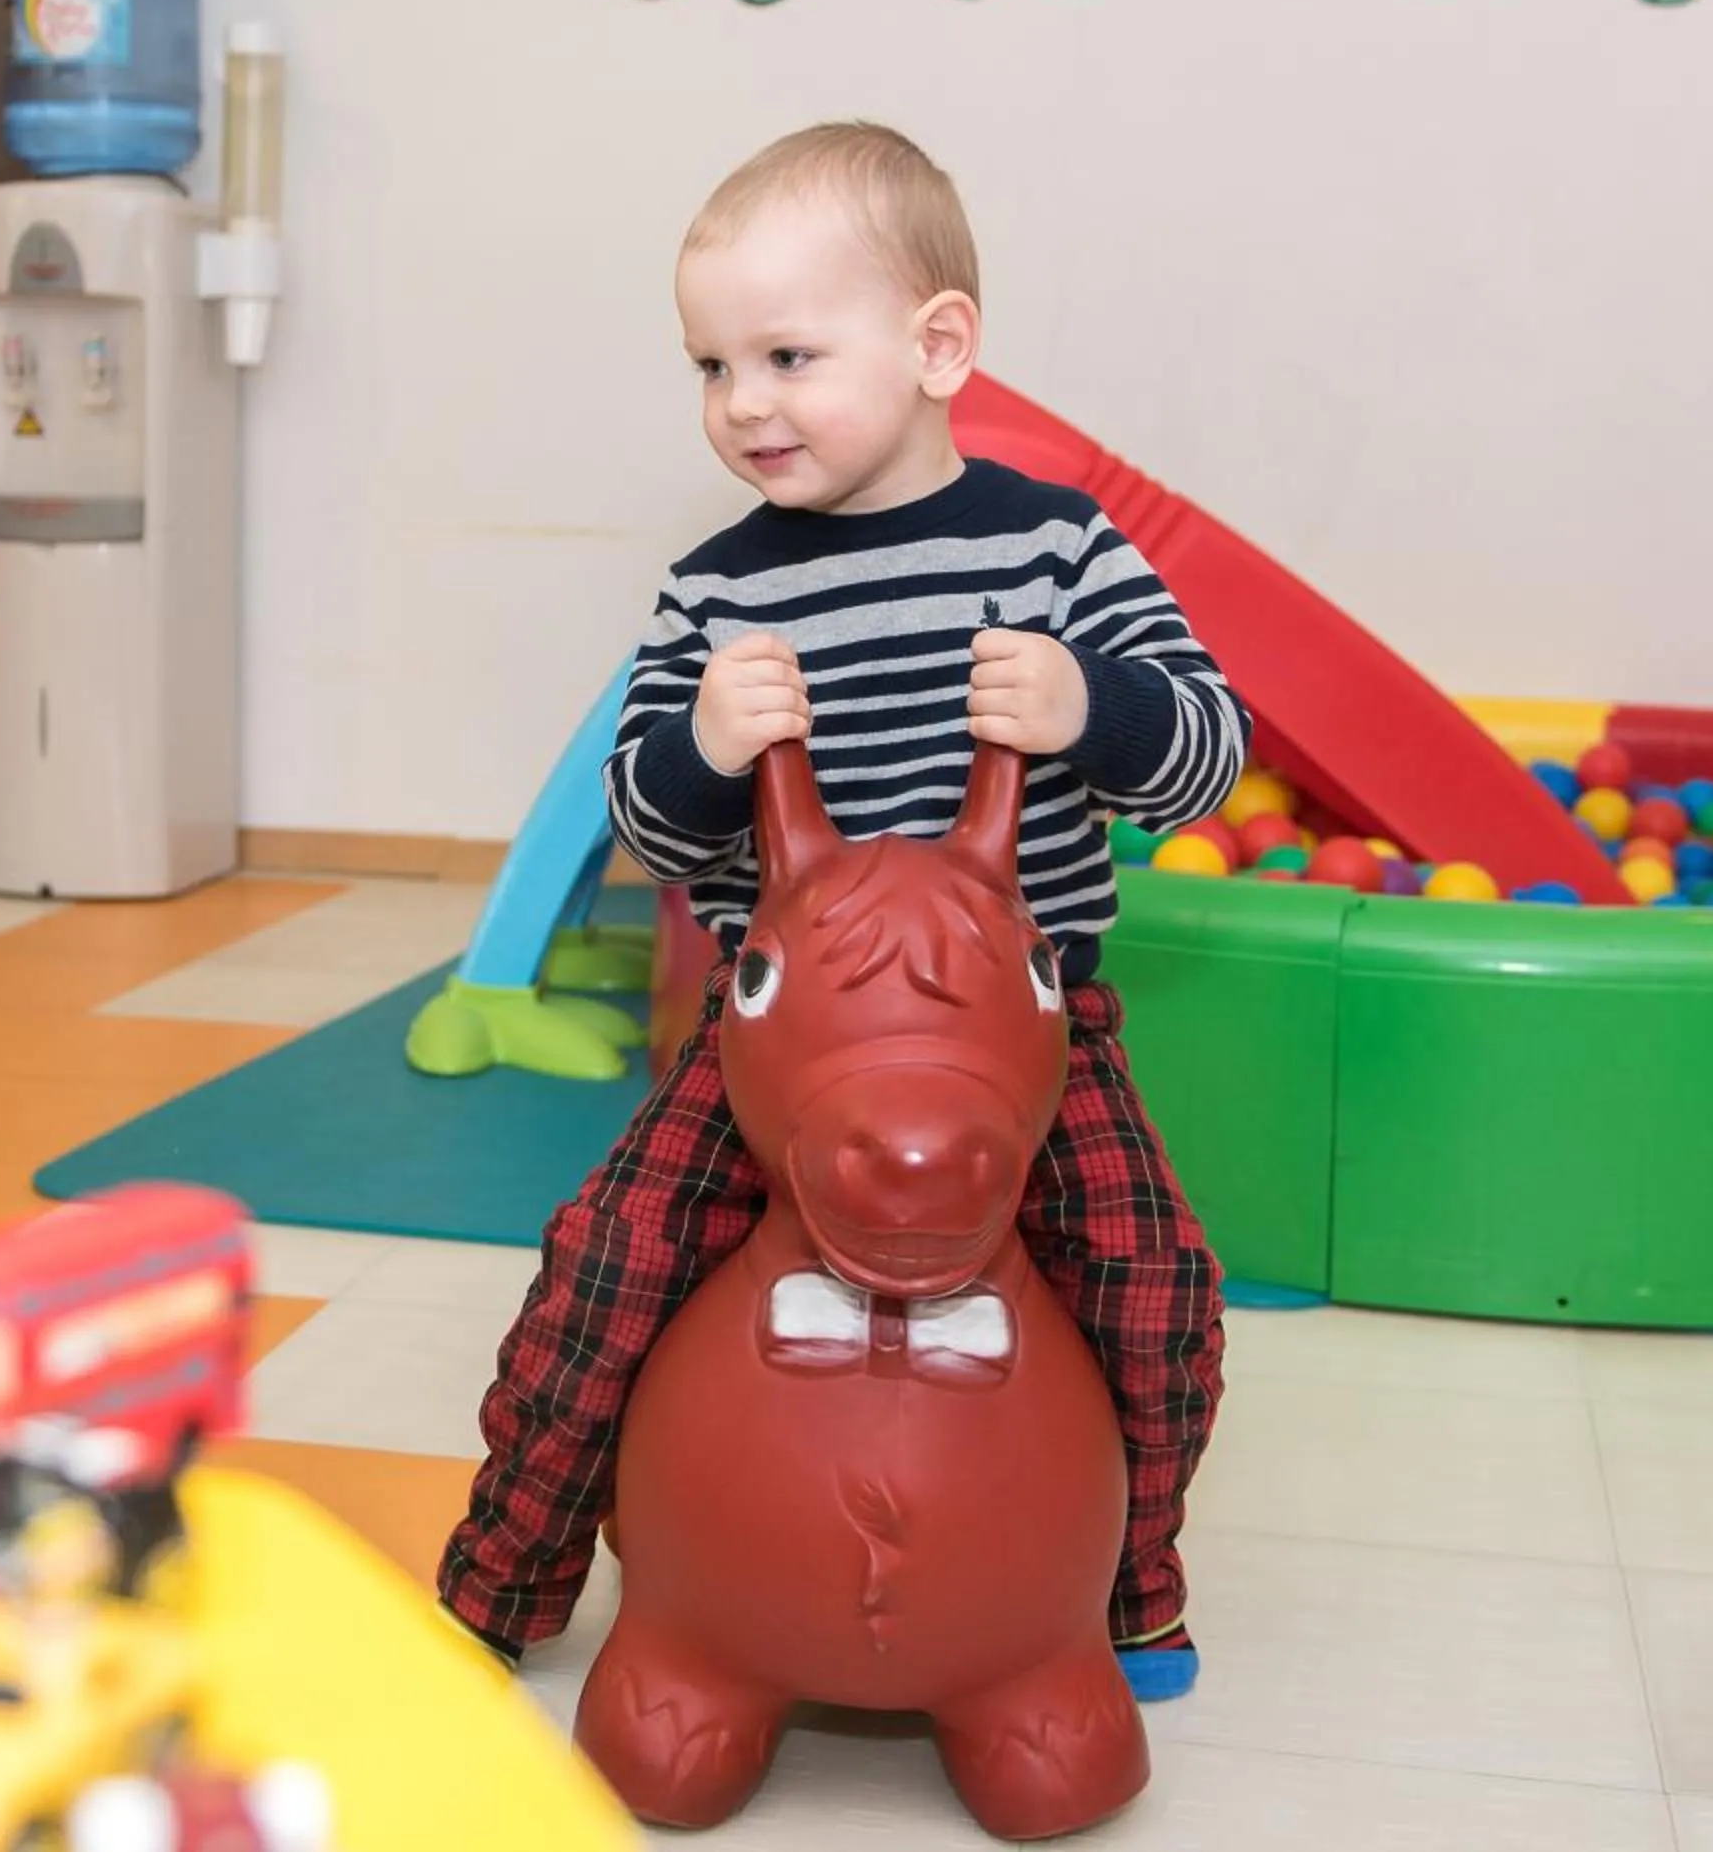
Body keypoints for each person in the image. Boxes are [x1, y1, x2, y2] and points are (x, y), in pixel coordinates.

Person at [437, 122, 1244, 1704]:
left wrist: (1096, 706)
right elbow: (649, 827)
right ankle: (503, 1574)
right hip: (779, 1053)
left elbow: (1207, 761)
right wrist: (701, 744)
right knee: (605, 1258)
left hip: (1023, 1040)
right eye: (712, 365)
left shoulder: (1058, 549)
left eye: (788, 354)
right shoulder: (714, 591)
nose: (743, 404)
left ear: (940, 344)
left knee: (1152, 1277)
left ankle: (1127, 1571)